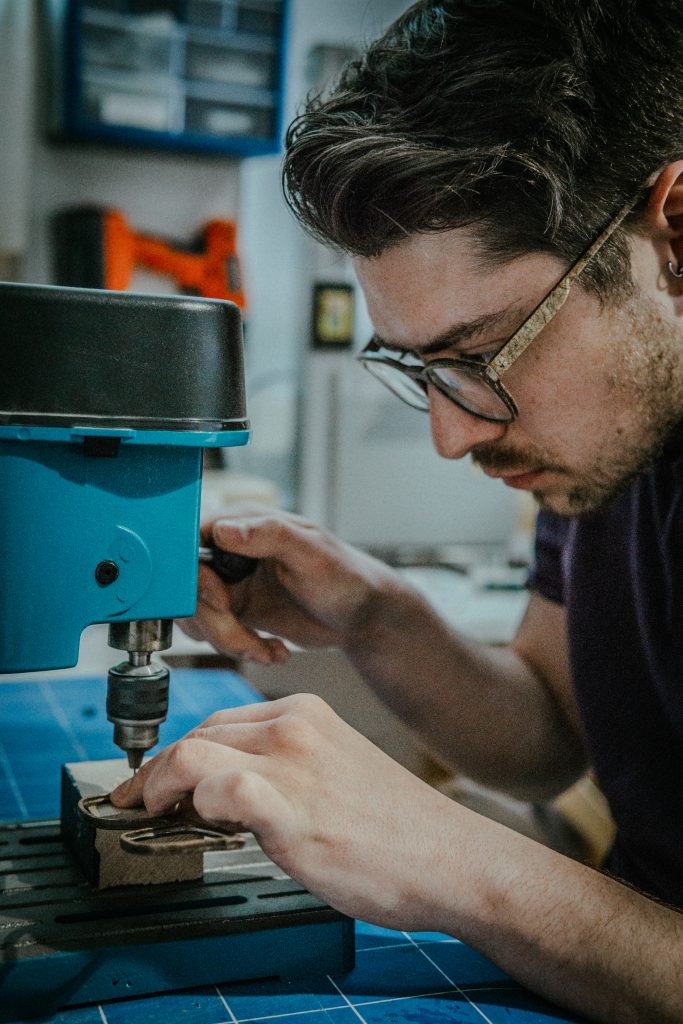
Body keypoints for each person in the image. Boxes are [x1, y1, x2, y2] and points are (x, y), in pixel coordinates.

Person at [112, 2, 683, 1020]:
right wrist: (377, 617)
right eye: (419, 369)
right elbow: (552, 731)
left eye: (479, 356)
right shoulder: (607, 434)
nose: (451, 437)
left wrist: (454, 861)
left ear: (671, 231)